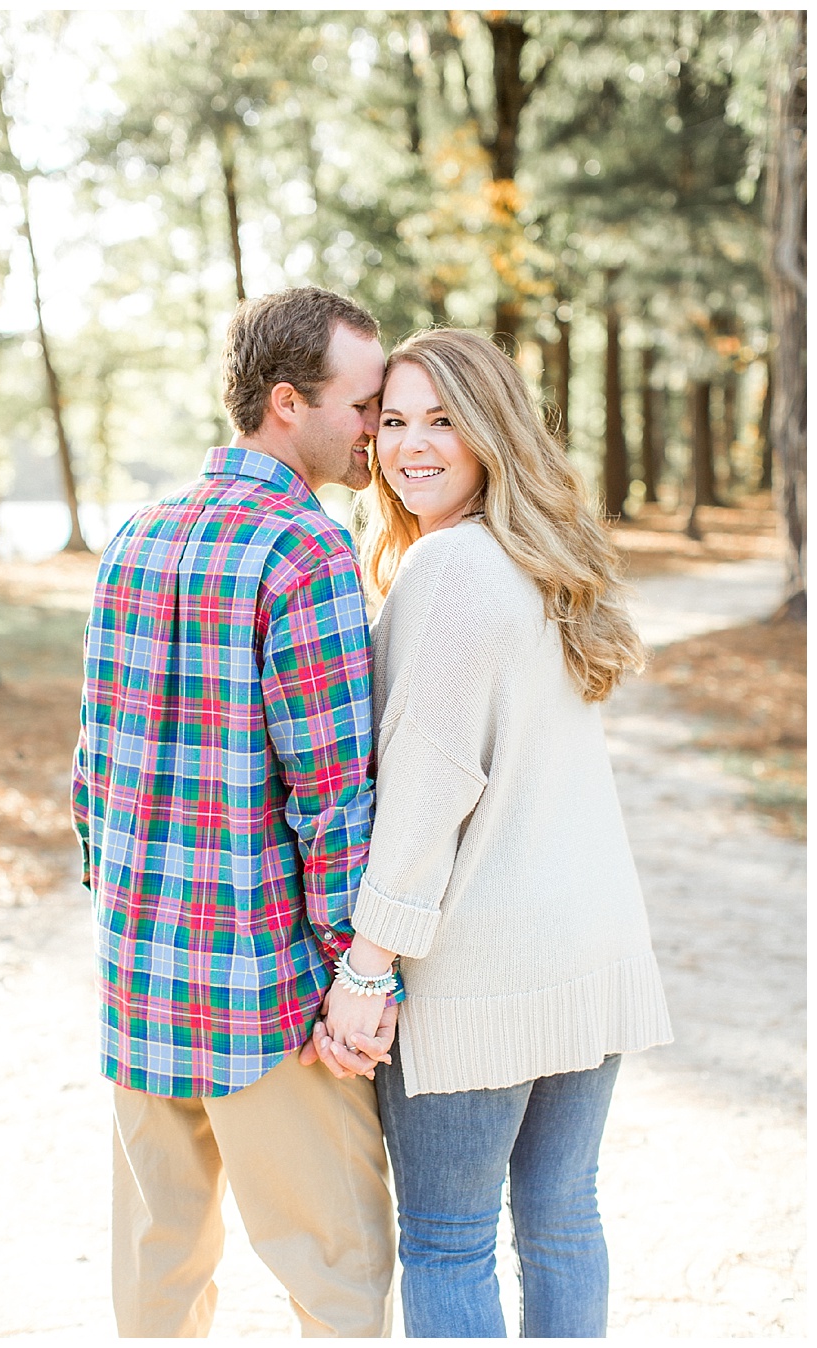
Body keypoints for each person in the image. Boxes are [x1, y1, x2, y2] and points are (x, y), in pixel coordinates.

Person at [320, 328, 674, 1337]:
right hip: (588, 949)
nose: (411, 445)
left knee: (448, 1241)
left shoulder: (449, 571)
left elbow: (426, 796)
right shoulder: (545, 561)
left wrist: (365, 968)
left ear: (491, 432)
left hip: (484, 973)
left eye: (441, 420)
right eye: (392, 420)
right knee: (563, 1221)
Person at [71, 286, 399, 1338]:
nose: (378, 431)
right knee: (341, 1280)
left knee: (156, 1291)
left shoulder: (133, 538)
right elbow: (335, 800)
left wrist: (122, 912)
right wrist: (357, 969)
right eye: (365, 405)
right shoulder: (307, 554)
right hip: (268, 1002)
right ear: (289, 403)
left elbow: (91, 773)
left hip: (138, 982)